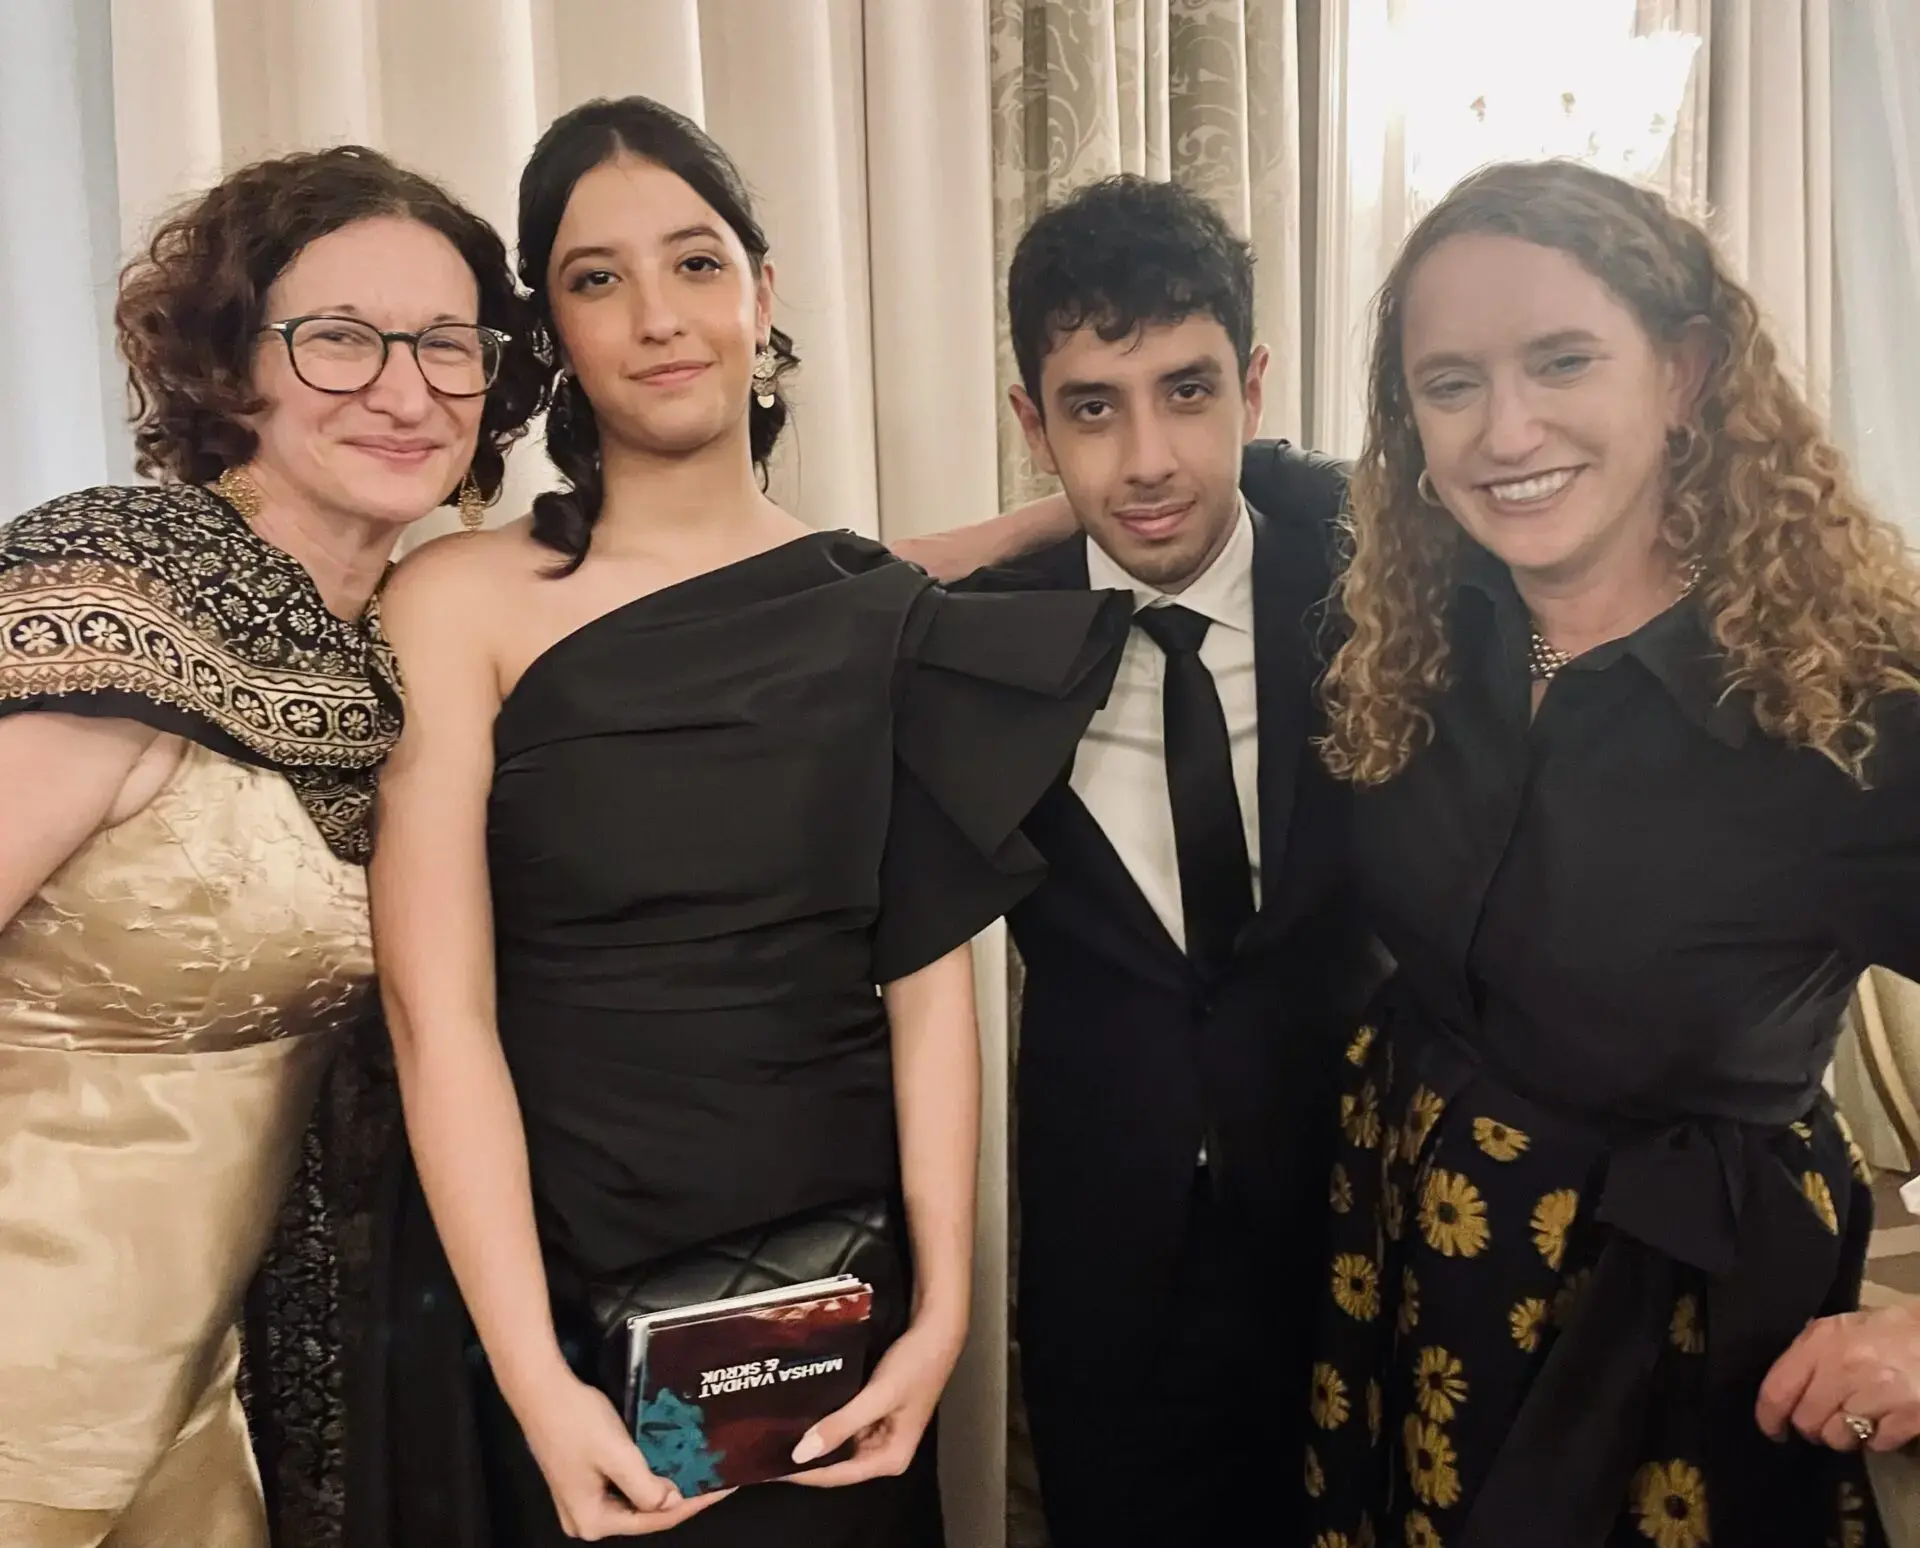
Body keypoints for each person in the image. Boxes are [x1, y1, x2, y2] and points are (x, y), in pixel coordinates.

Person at [356, 95, 1130, 1547]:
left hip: (834, 1293)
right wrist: (535, 1377)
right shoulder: (456, 599)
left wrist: (944, 1311)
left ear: (763, 296)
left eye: (696, 263)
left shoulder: (882, 612)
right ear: (553, 330)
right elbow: (432, 1011)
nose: (657, 315)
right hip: (562, 1282)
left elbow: (926, 985)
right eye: (597, 279)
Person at [1275, 159, 1920, 1547]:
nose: (1507, 430)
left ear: (1685, 374)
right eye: (1451, 384)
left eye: (1562, 361)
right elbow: (1207, 488)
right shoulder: (1423, 618)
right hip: (1410, 1260)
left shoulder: (1853, 704)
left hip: (1673, 1330)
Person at [0, 146, 540, 1548]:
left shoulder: (404, 643)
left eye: (446, 344)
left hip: (203, 1394)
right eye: (341, 338)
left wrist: (1076, 534)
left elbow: (728, 590)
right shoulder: (121, 583)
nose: (406, 388)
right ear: (233, 363)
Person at [904, 174, 1382, 1548]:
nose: (1149, 458)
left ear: (1253, 384)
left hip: (1356, 1220)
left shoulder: (1367, 596)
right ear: (1031, 423)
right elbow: (808, 600)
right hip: (1107, 1245)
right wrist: (1013, 532)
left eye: (1187, 391)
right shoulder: (975, 646)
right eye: (1092, 408)